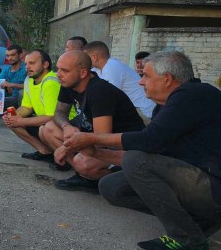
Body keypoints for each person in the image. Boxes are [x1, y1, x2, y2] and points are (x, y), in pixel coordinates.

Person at [63, 51, 221, 250]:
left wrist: (93, 139)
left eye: (145, 76)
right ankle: (199, 219)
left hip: (214, 185)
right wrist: (97, 153)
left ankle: (188, 238)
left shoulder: (193, 94)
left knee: (135, 160)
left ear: (167, 79)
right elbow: (150, 152)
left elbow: (147, 142)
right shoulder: (166, 106)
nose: (140, 82)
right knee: (111, 188)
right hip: (197, 181)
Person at [40, 50, 144, 193]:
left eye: (64, 70)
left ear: (82, 73)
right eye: (58, 69)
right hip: (93, 135)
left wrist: (66, 147)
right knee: (48, 129)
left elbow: (101, 137)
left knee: (82, 163)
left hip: (121, 143)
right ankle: (85, 176)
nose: (58, 74)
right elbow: (59, 113)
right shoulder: (68, 84)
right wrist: (66, 126)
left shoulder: (99, 91)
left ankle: (121, 181)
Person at [3, 50, 62, 161]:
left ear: (45, 65)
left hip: (59, 124)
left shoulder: (50, 82)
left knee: (44, 128)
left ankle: (64, 159)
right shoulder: (29, 80)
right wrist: (13, 116)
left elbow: (52, 117)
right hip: (44, 122)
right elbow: (27, 107)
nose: (27, 67)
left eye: (32, 63)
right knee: (11, 121)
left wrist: (20, 121)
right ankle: (45, 151)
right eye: (26, 64)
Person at [84, 41, 155, 120]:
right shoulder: (100, 68)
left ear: (94, 57)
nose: (83, 61)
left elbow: (105, 98)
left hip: (142, 113)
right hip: (133, 110)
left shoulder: (112, 67)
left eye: (85, 57)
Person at [0, 44, 26, 109]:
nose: (9, 58)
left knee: (21, 93)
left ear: (20, 55)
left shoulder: (27, 68)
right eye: (7, 56)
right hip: (9, 98)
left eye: (12, 55)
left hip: (23, 99)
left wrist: (12, 85)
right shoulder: (5, 70)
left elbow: (31, 86)